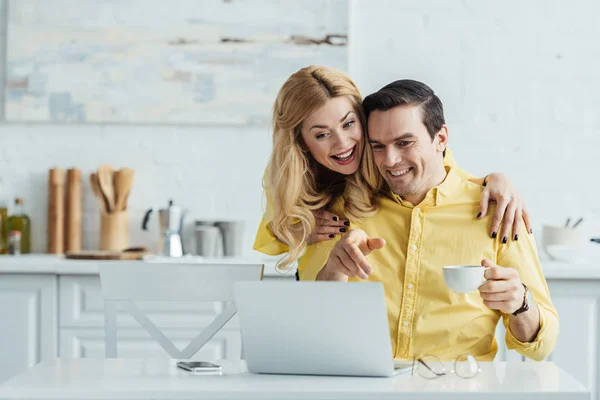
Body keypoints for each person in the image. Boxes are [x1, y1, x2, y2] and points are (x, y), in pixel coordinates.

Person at [315, 79, 558, 361]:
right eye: (378, 146)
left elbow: (543, 344)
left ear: (440, 138)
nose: (390, 160)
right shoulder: (347, 210)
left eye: (405, 143)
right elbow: (317, 324)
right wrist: (334, 267)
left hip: (457, 387)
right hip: (364, 387)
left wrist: (521, 303)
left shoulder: (498, 211)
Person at [253, 65, 531, 280]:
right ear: (300, 141)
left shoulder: (385, 160)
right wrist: (299, 229)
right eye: (323, 134)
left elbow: (445, 174)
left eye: (349, 124)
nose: (343, 143)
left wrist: (495, 180)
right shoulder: (288, 176)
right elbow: (273, 236)